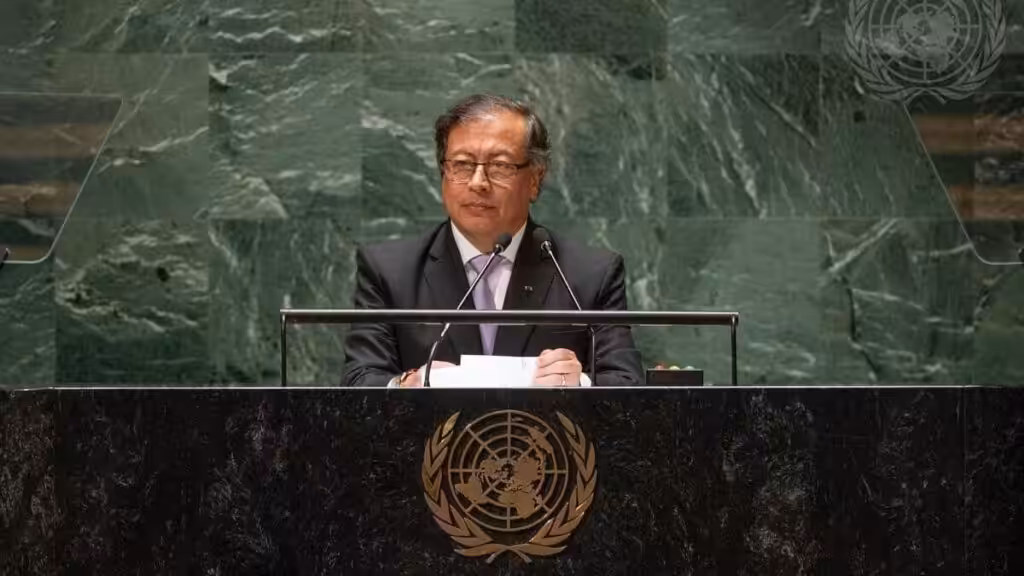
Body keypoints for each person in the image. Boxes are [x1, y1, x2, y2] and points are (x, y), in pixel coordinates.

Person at [341, 93, 643, 387]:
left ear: (535, 180)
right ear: (443, 174)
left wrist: (580, 382)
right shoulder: (390, 272)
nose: (478, 183)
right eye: (462, 164)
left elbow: (627, 382)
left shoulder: (589, 275)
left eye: (500, 166)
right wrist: (407, 384)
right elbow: (359, 380)